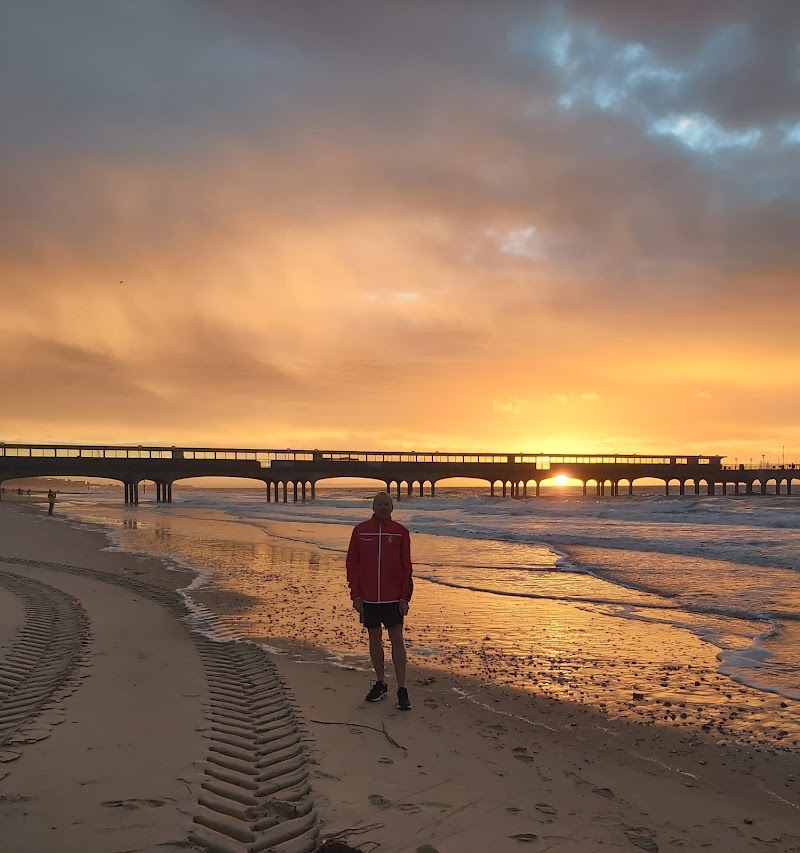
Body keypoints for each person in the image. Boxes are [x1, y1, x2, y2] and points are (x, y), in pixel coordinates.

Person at [346, 491, 414, 710]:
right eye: (380, 504)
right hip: (368, 598)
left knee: (397, 638)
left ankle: (402, 688)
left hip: (393, 597)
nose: (383, 507)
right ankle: (381, 683)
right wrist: (355, 595)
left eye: (387, 504)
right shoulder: (360, 531)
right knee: (374, 638)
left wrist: (405, 597)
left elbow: (407, 568)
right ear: (373, 506)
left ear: (392, 508)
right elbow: (352, 565)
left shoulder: (401, 532)